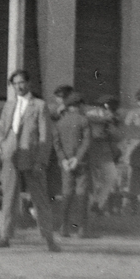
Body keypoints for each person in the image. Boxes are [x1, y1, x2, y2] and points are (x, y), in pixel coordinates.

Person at [0, 69, 61, 251]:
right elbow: (0, 129)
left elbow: (45, 136)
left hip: (32, 158)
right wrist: (3, 144)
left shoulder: (39, 105)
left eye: (22, 82)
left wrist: (41, 160)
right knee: (9, 198)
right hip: (11, 156)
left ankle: (49, 239)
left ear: (29, 83)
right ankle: (5, 237)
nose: (19, 86)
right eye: (15, 84)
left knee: (40, 198)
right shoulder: (9, 105)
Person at [52, 85, 95, 237]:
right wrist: (77, 158)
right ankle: (82, 228)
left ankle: (64, 227)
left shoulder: (60, 122)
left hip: (65, 164)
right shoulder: (84, 120)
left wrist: (64, 160)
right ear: (80, 105)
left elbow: (56, 143)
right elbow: (87, 142)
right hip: (81, 163)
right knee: (82, 194)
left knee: (67, 194)